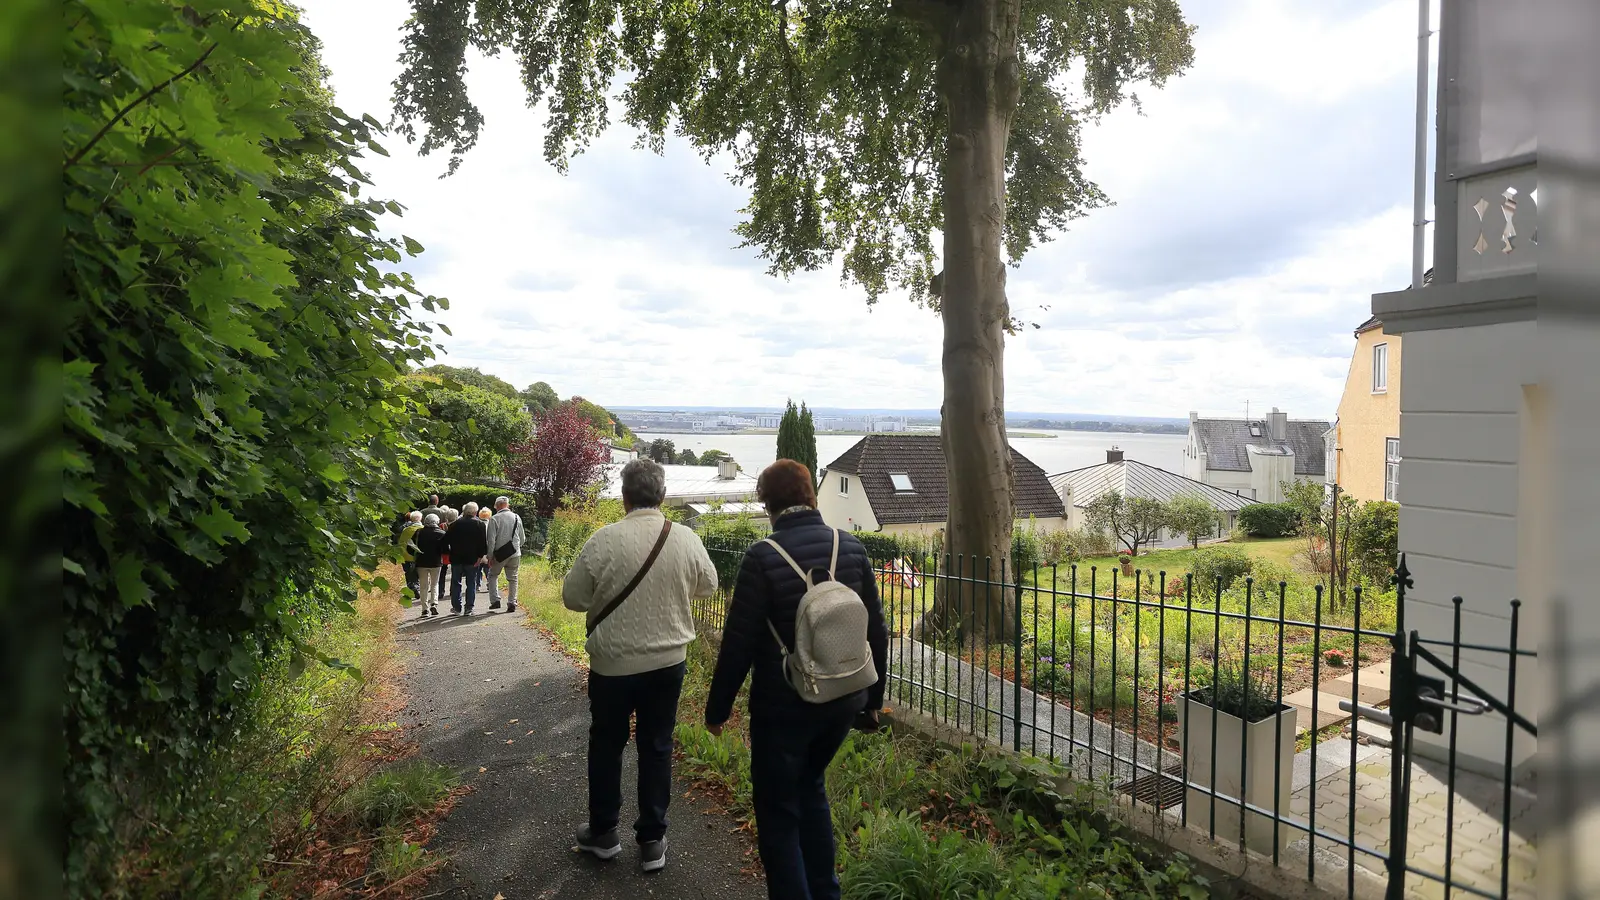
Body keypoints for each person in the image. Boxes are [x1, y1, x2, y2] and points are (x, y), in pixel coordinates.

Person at [703, 459, 888, 900]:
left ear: (767, 502)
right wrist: (873, 701)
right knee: (811, 789)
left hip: (784, 706)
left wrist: (717, 712)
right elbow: (877, 630)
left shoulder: (762, 557)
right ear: (811, 496)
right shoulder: (852, 549)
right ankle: (826, 893)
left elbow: (739, 643)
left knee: (778, 813)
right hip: (845, 697)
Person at [562, 459, 717, 873]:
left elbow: (573, 598)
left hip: (612, 664)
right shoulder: (685, 538)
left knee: (607, 744)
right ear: (662, 495)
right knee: (657, 745)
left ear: (625, 496)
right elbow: (709, 586)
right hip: (669, 662)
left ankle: (604, 832)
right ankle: (652, 841)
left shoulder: (602, 540)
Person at [446, 502, 489, 615]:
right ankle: (469, 608)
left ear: (464, 511)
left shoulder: (454, 525)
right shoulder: (480, 524)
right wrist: (480, 557)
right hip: (472, 559)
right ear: (475, 512)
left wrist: (449, 553)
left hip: (456, 558)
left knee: (456, 583)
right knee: (471, 583)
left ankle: (456, 607)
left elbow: (446, 541)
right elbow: (482, 544)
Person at [485, 496, 525, 613]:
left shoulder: (494, 519)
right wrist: (516, 547)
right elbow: (522, 538)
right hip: (515, 553)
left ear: (497, 506)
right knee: (513, 579)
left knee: (492, 575)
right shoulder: (517, 517)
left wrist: (490, 556)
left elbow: (491, 541)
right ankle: (512, 602)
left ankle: (495, 600)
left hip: (499, 555)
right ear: (507, 505)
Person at [411, 514, 447, 617]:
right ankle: (434, 603)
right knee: (434, 584)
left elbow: (412, 546)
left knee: (423, 586)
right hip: (436, 562)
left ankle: (424, 609)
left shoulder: (418, 533)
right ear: (437, 522)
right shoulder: (441, 533)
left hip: (421, 562)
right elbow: (446, 549)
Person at [398, 511, 424, 600]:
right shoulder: (423, 528)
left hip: (406, 555)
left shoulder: (406, 530)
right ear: (420, 519)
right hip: (419, 556)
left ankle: (411, 589)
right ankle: (416, 587)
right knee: (417, 574)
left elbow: (401, 542)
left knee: (408, 574)